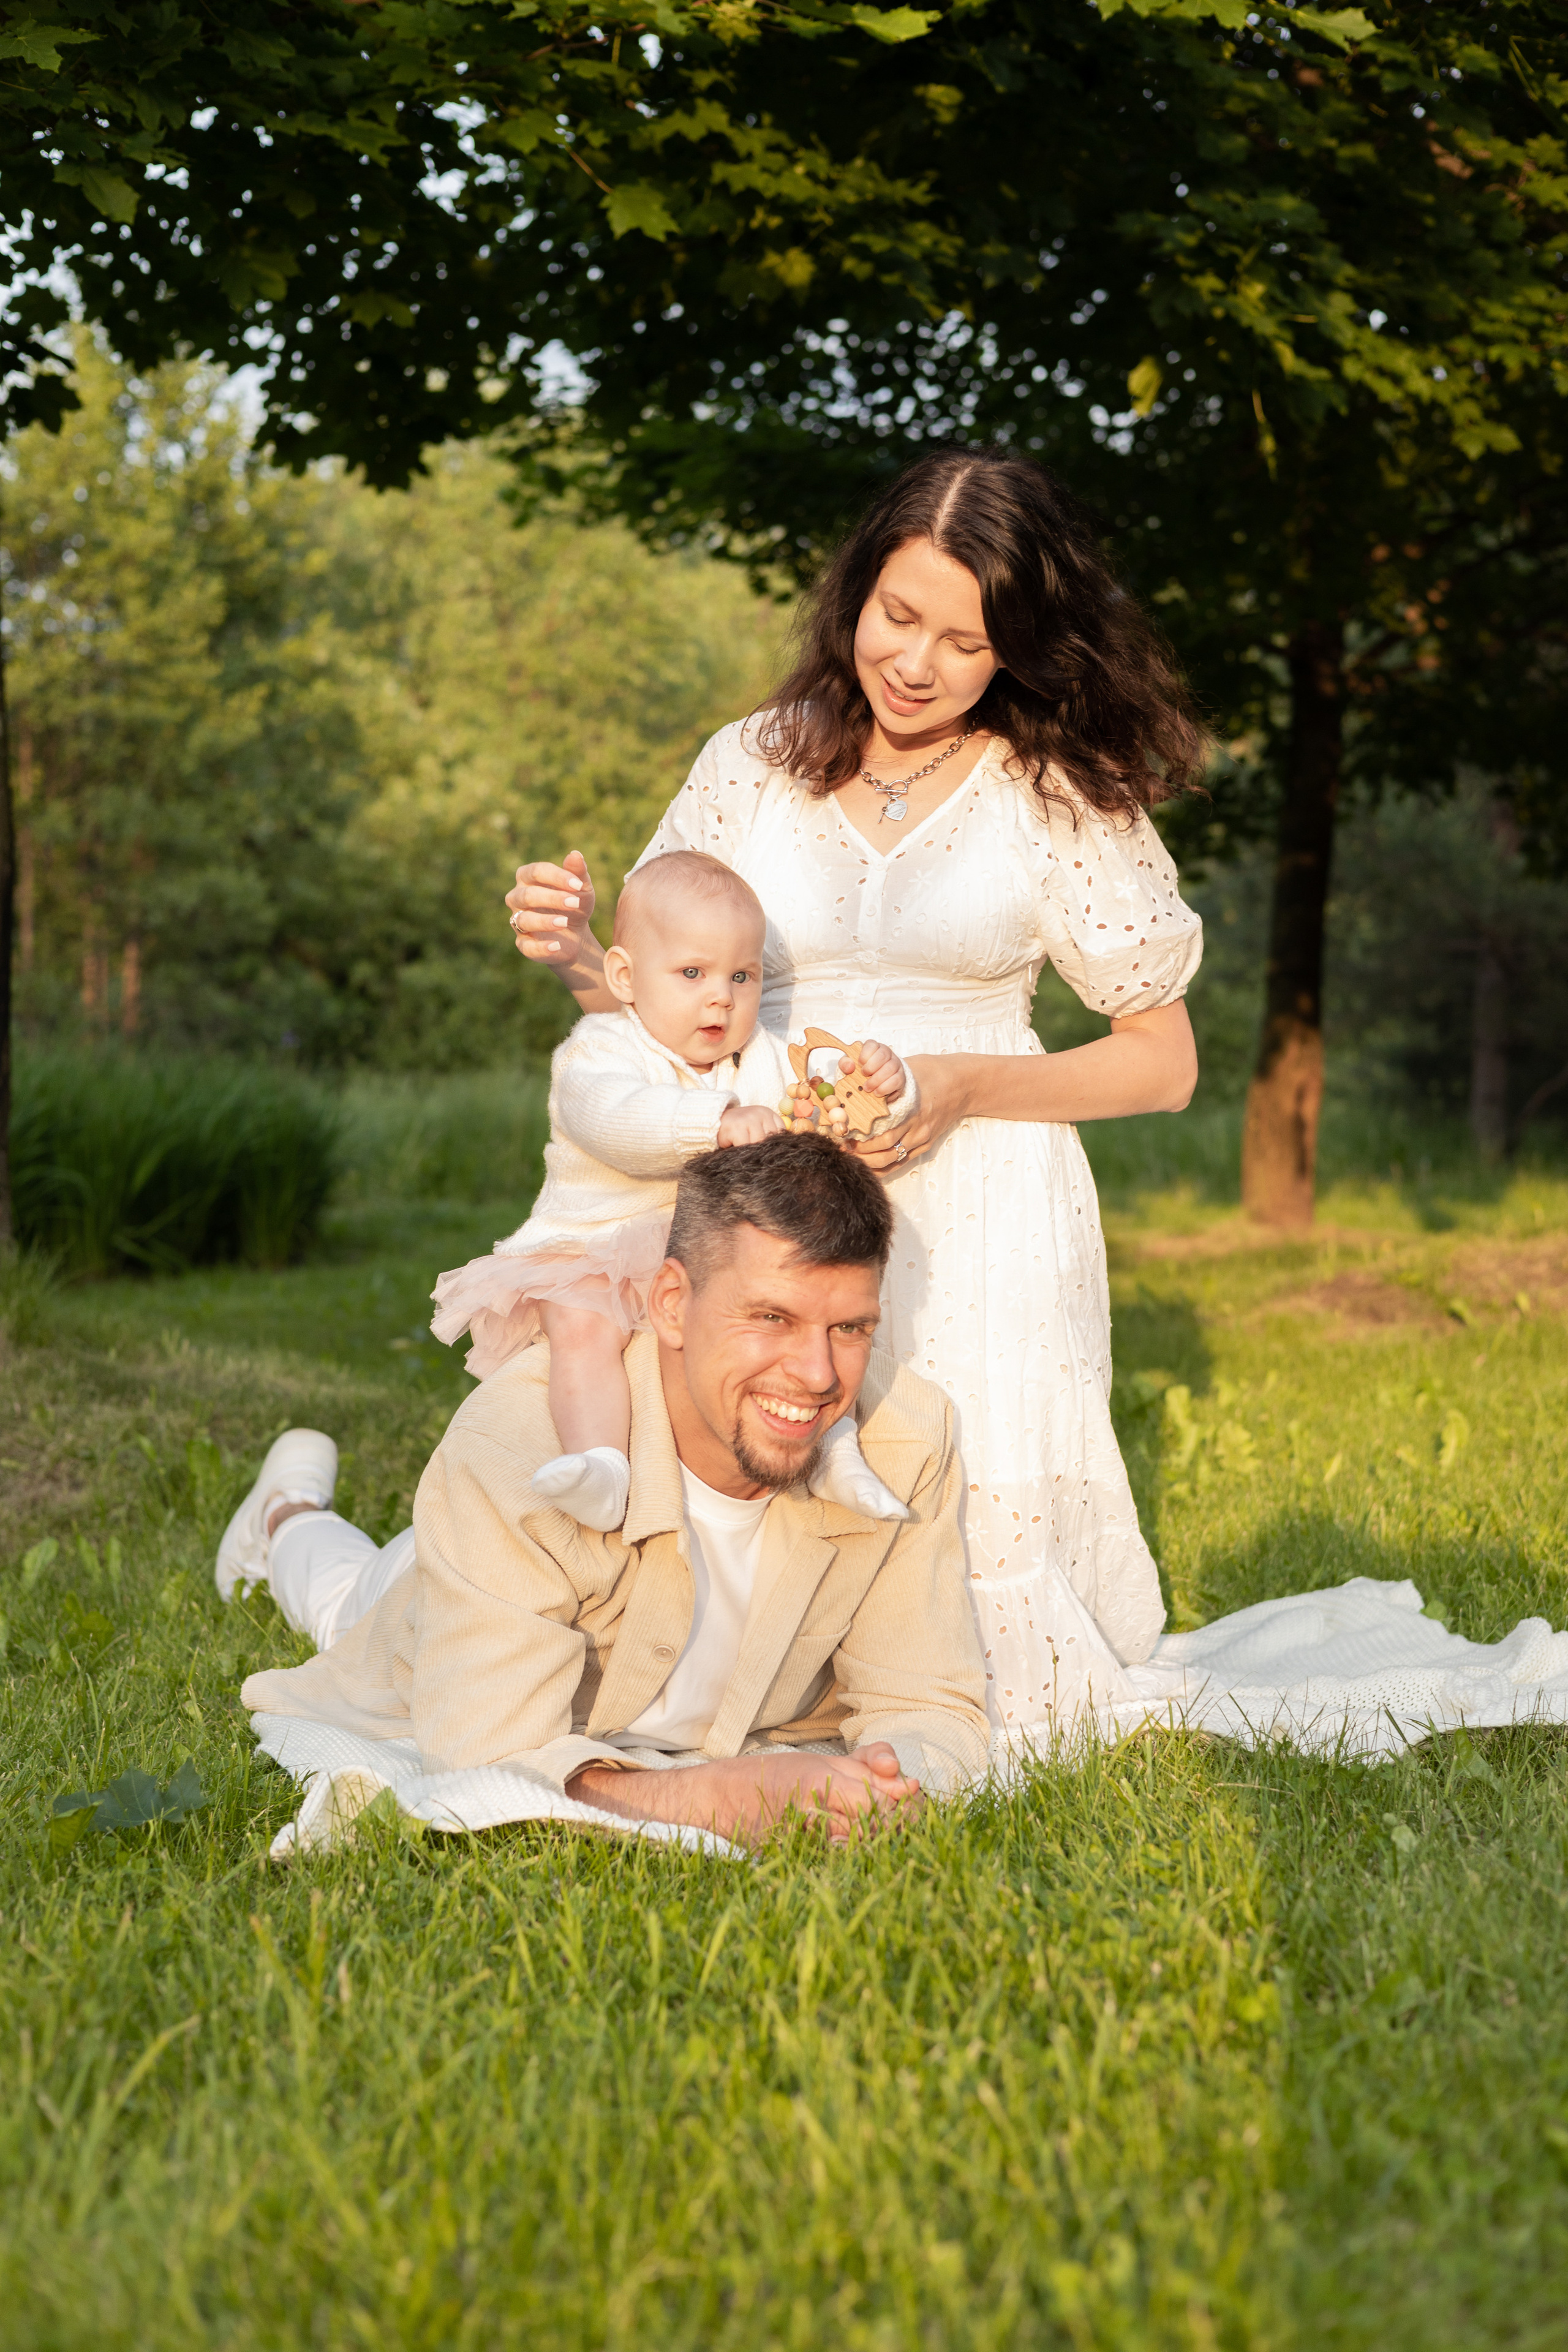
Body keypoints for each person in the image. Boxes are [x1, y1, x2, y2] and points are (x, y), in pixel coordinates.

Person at [505, 447, 1206, 1727]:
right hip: (764, 1193)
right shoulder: (752, 763)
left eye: (965, 639)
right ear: (853, 595)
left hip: (981, 1204)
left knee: (973, 1666)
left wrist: (955, 1086)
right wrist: (573, 961)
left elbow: (1163, 1064)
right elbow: (670, 1008)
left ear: (1020, 650)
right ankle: (294, 1521)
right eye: (897, 615)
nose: (916, 662)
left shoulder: (1058, 797)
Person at [225, 1135, 990, 1847]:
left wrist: (886, 1790)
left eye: (850, 1329)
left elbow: (926, 1702)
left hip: (501, 1562)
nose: (819, 1376)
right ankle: (285, 1513)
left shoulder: (908, 1437)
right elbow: (488, 1761)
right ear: (669, 1304)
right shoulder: (520, 1446)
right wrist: (717, 1798)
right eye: (770, 1317)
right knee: (345, 1601)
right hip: (437, 1593)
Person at [427, 848, 914, 1534]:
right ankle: (601, 1465)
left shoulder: (764, 1057)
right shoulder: (600, 1049)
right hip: (593, 1245)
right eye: (692, 973)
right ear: (623, 976)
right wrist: (713, 1122)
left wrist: (890, 1082)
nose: (721, 996)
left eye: (742, 976)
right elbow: (610, 1118)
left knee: (808, 1327)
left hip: (706, 1256)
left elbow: (832, 1096)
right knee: (583, 1331)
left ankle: (835, 1453)